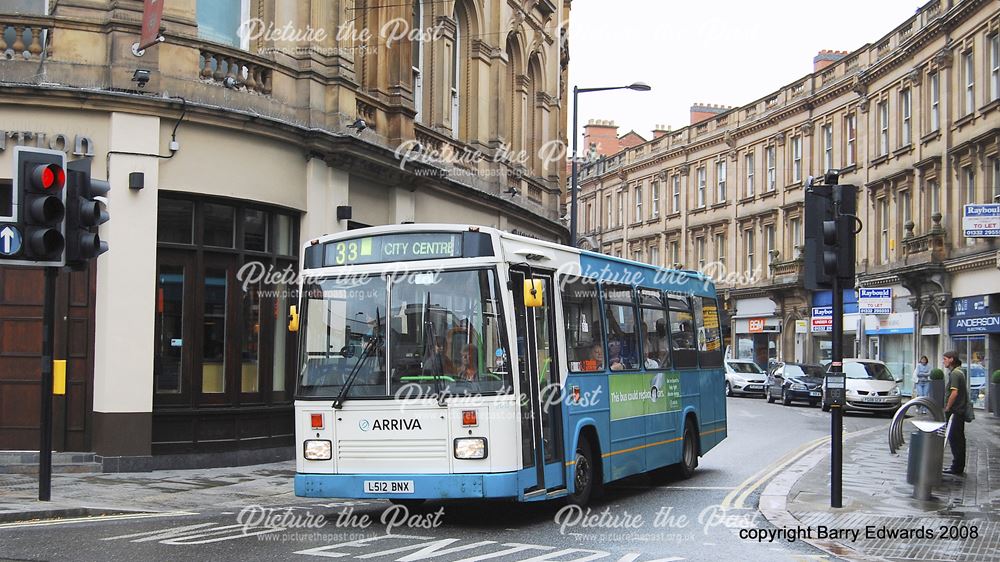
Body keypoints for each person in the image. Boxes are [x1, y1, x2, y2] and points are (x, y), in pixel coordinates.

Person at [942, 351, 968, 475]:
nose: (944, 361)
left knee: (955, 439)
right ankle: (958, 466)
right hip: (959, 411)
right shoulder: (960, 372)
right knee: (958, 439)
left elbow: (954, 392)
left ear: (952, 359)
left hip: (955, 412)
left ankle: (957, 467)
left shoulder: (955, 374)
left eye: (945, 359)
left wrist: (948, 407)